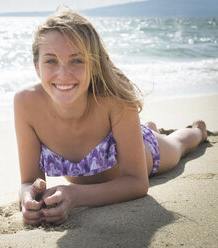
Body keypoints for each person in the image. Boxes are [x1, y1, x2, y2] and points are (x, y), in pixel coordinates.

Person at [13, 9, 208, 226]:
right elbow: (29, 182)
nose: (63, 73)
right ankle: (146, 127)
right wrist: (29, 197)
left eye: (77, 60)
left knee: (180, 144)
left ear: (94, 65)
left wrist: (75, 196)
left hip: (146, 154)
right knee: (144, 132)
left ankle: (197, 131)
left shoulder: (115, 96)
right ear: (37, 67)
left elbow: (137, 184)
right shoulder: (26, 103)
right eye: (51, 61)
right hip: (122, 135)